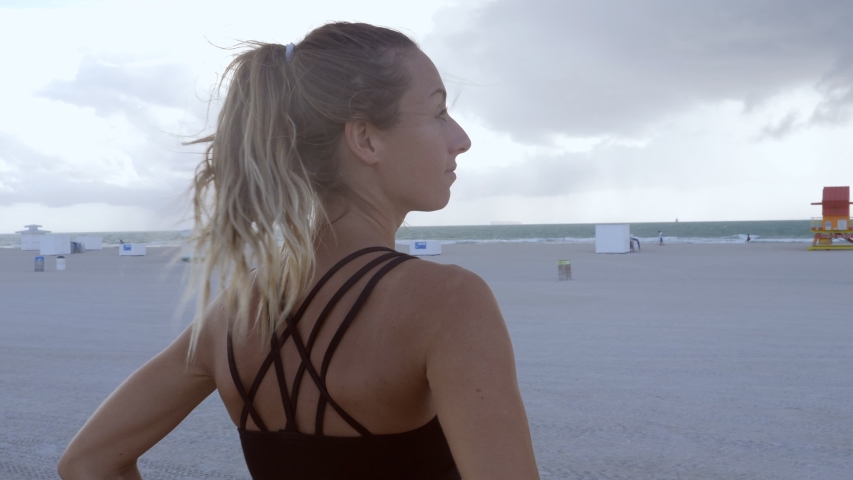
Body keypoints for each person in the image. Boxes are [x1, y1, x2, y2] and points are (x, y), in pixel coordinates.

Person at [58, 22, 539, 480]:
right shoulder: (449, 302)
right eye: (438, 112)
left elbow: (87, 463)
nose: (461, 139)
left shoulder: (234, 315)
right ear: (366, 138)